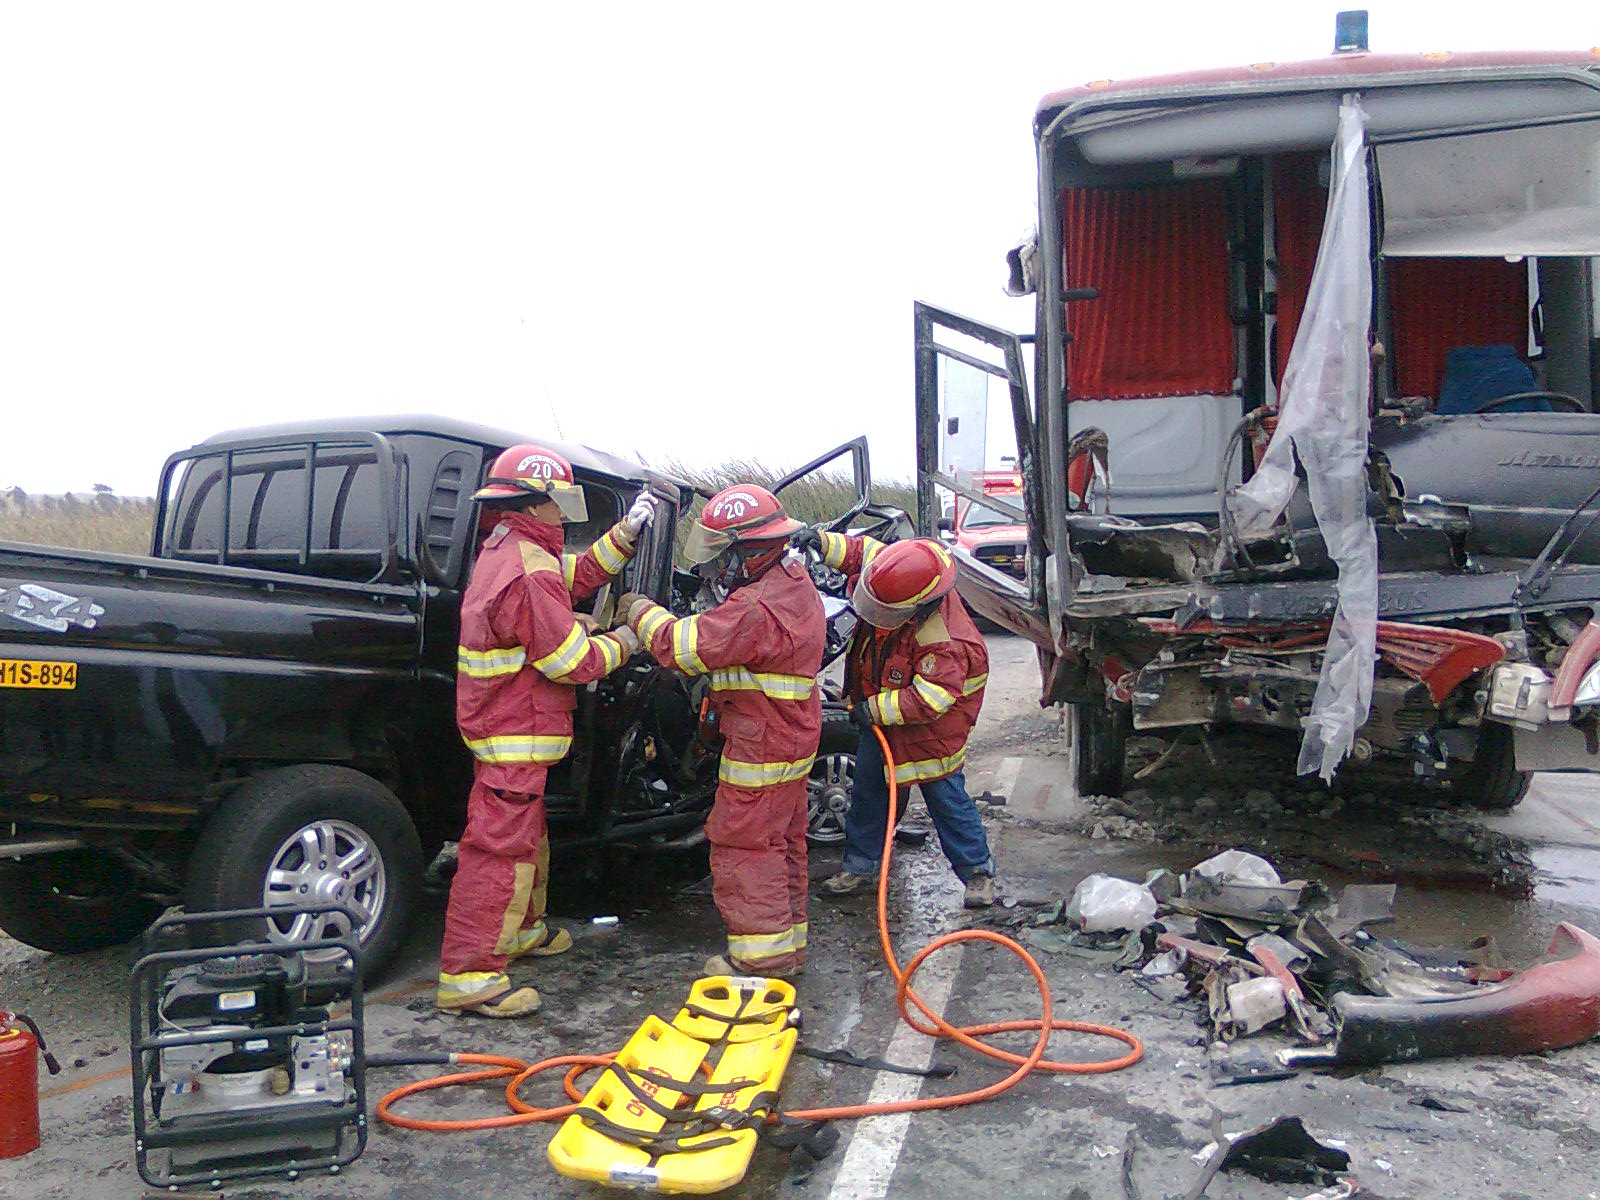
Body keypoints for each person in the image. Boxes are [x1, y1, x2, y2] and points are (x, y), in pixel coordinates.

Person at [437, 443, 657, 1017]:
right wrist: (625, 641)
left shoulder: (510, 546)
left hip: (507, 728)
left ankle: (522, 931)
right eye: (559, 503)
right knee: (497, 852)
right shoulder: (527, 570)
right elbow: (571, 662)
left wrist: (626, 535)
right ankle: (470, 975)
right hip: (515, 731)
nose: (565, 513)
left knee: (528, 839)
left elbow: (575, 577)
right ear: (538, 505)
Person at [617, 484, 825, 979]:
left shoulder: (755, 606)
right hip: (791, 736)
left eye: (721, 555)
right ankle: (786, 944)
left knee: (744, 843)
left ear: (744, 549)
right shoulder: (792, 580)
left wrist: (639, 610)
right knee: (782, 842)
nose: (714, 568)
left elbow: (683, 646)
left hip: (762, 742)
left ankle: (759, 959)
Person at [799, 532, 997, 908]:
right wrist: (821, 543)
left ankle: (977, 874)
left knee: (947, 802)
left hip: (931, 737)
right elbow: (863, 553)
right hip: (885, 727)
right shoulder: (902, 573)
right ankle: (860, 866)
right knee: (869, 796)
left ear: (921, 606)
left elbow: (929, 700)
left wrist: (870, 710)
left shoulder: (943, 639)